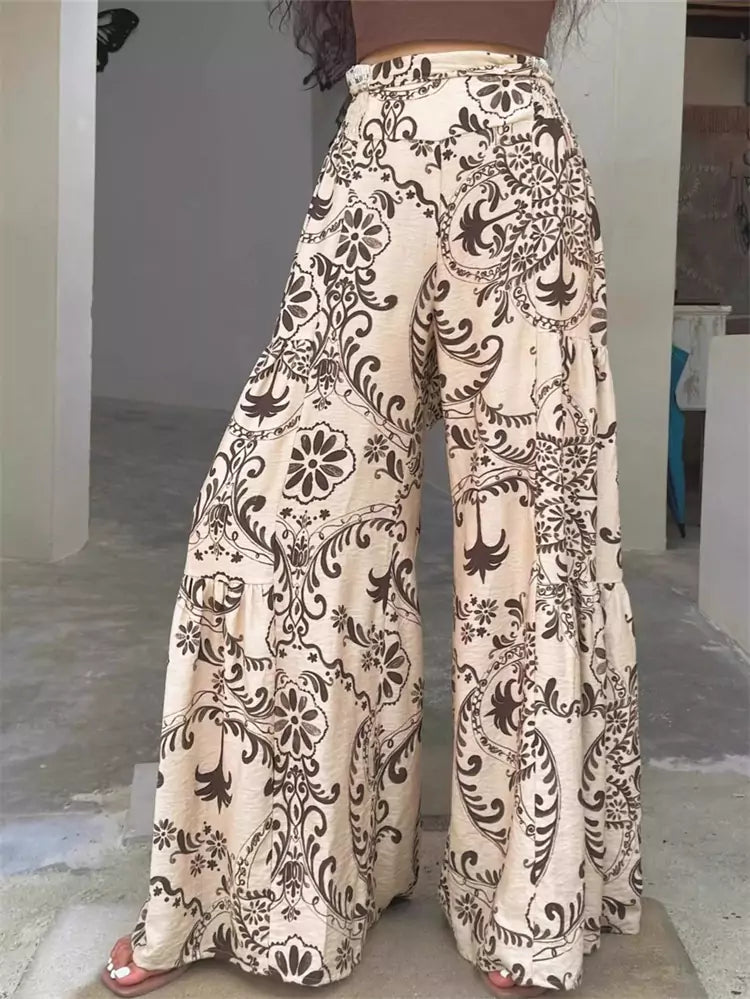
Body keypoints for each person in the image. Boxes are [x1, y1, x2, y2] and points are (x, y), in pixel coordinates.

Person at [101, 2, 642, 996]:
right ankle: (278, 883)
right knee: (282, 510)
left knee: (536, 522)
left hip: (520, 154)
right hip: (378, 154)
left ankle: (528, 899)